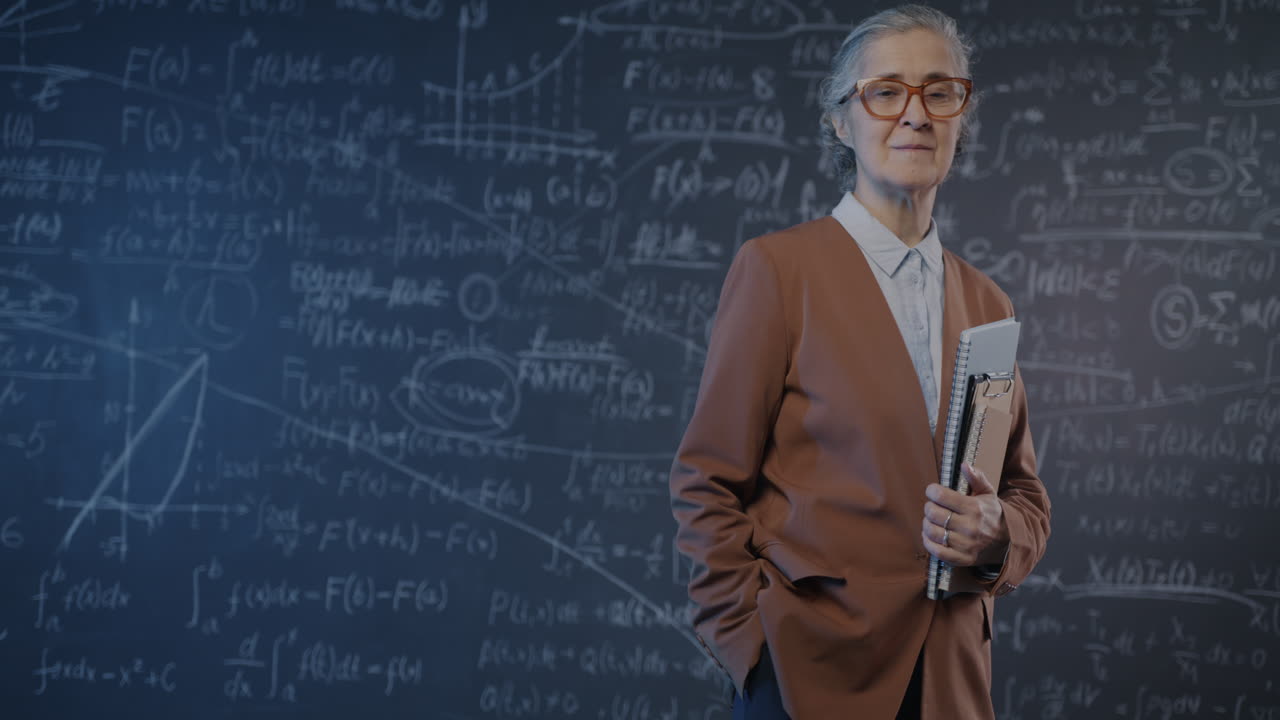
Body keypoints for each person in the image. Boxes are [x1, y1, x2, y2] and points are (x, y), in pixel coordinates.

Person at [667, 5, 1052, 719]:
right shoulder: (778, 272)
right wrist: (749, 647)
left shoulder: (989, 301)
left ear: (961, 117)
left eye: (940, 92)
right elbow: (706, 483)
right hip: (808, 678)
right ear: (841, 120)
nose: (916, 114)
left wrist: (994, 531)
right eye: (886, 91)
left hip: (950, 686)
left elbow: (1025, 498)